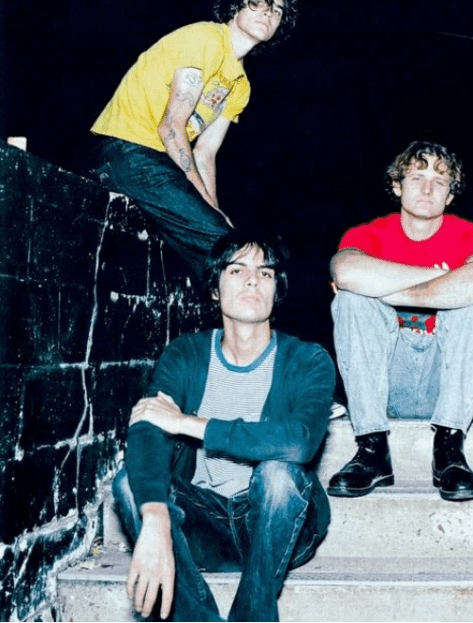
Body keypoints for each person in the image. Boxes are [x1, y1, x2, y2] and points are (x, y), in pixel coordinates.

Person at [112, 231, 335, 621]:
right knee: (131, 484)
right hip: (203, 526)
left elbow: (299, 442)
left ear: (276, 291)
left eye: (265, 274)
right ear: (214, 289)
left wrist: (187, 422)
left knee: (280, 474)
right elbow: (147, 430)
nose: (253, 280)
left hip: (276, 526)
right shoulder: (186, 354)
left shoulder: (308, 359)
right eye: (237, 270)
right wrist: (155, 515)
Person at [327, 141, 473, 502]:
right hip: (387, 381)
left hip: (447, 382)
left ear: (450, 195)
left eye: (439, 182)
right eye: (417, 177)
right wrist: (440, 280)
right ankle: (372, 448)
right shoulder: (367, 235)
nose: (427, 189)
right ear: (397, 186)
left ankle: (449, 449)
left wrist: (392, 290)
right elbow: (345, 271)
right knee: (351, 300)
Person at [91, 0, 297, 278]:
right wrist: (212, 220)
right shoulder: (206, 39)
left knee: (223, 238)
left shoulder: (240, 85)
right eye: (259, 3)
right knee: (226, 250)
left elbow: (205, 153)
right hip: (128, 148)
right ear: (235, 7)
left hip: (162, 161)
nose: (269, 13)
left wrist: (214, 209)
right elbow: (171, 129)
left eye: (278, 10)